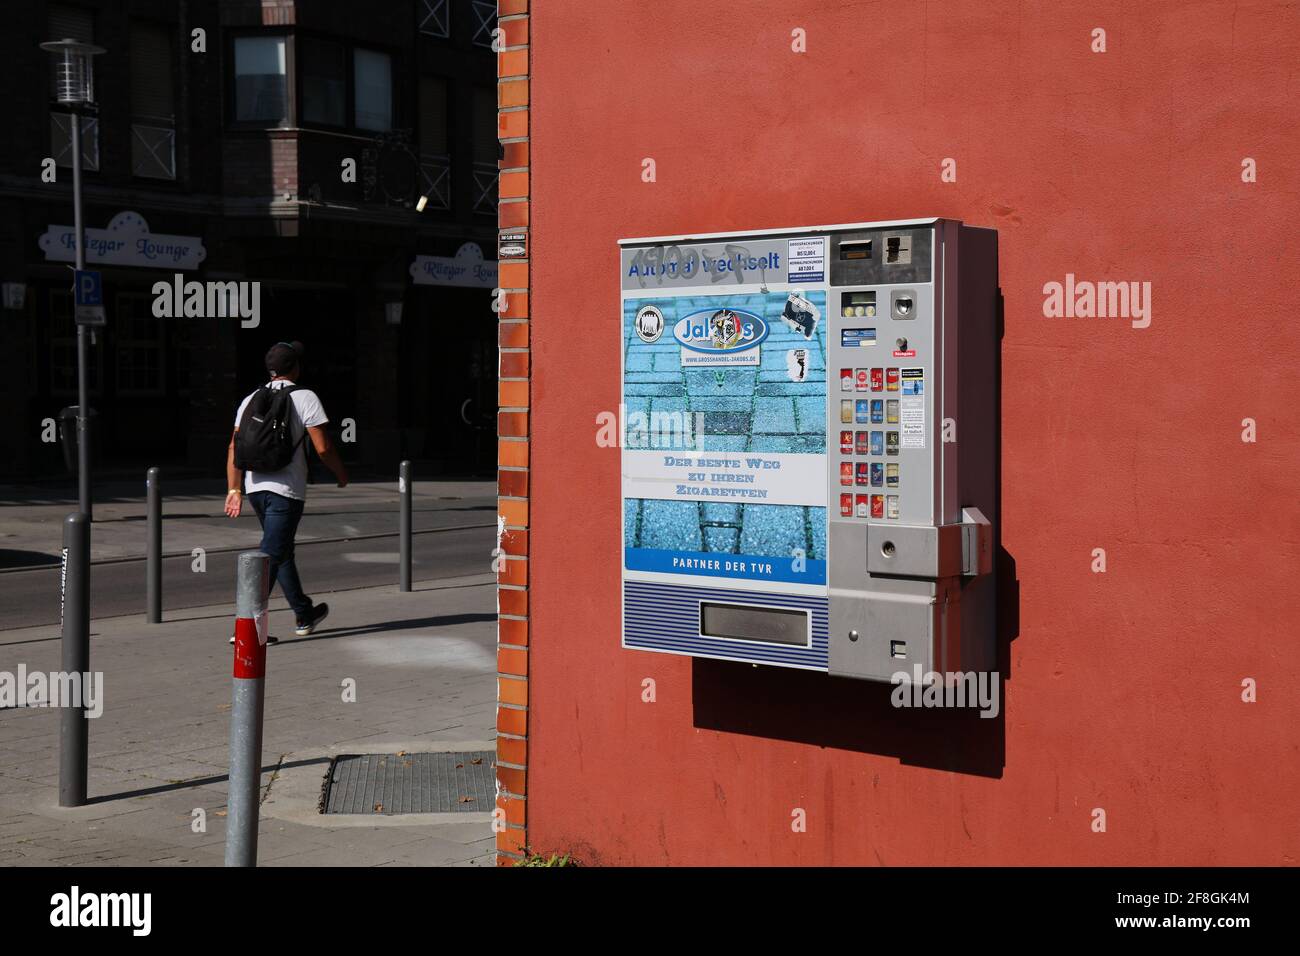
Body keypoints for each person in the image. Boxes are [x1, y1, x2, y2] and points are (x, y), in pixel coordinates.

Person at [224, 341, 348, 639]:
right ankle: (247, 629)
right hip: (287, 490)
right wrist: (341, 474)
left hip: (254, 487)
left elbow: (233, 446)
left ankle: (304, 614)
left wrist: (234, 489)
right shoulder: (305, 397)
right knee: (269, 556)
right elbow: (323, 446)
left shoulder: (250, 398)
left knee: (281, 552)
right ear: (295, 367)